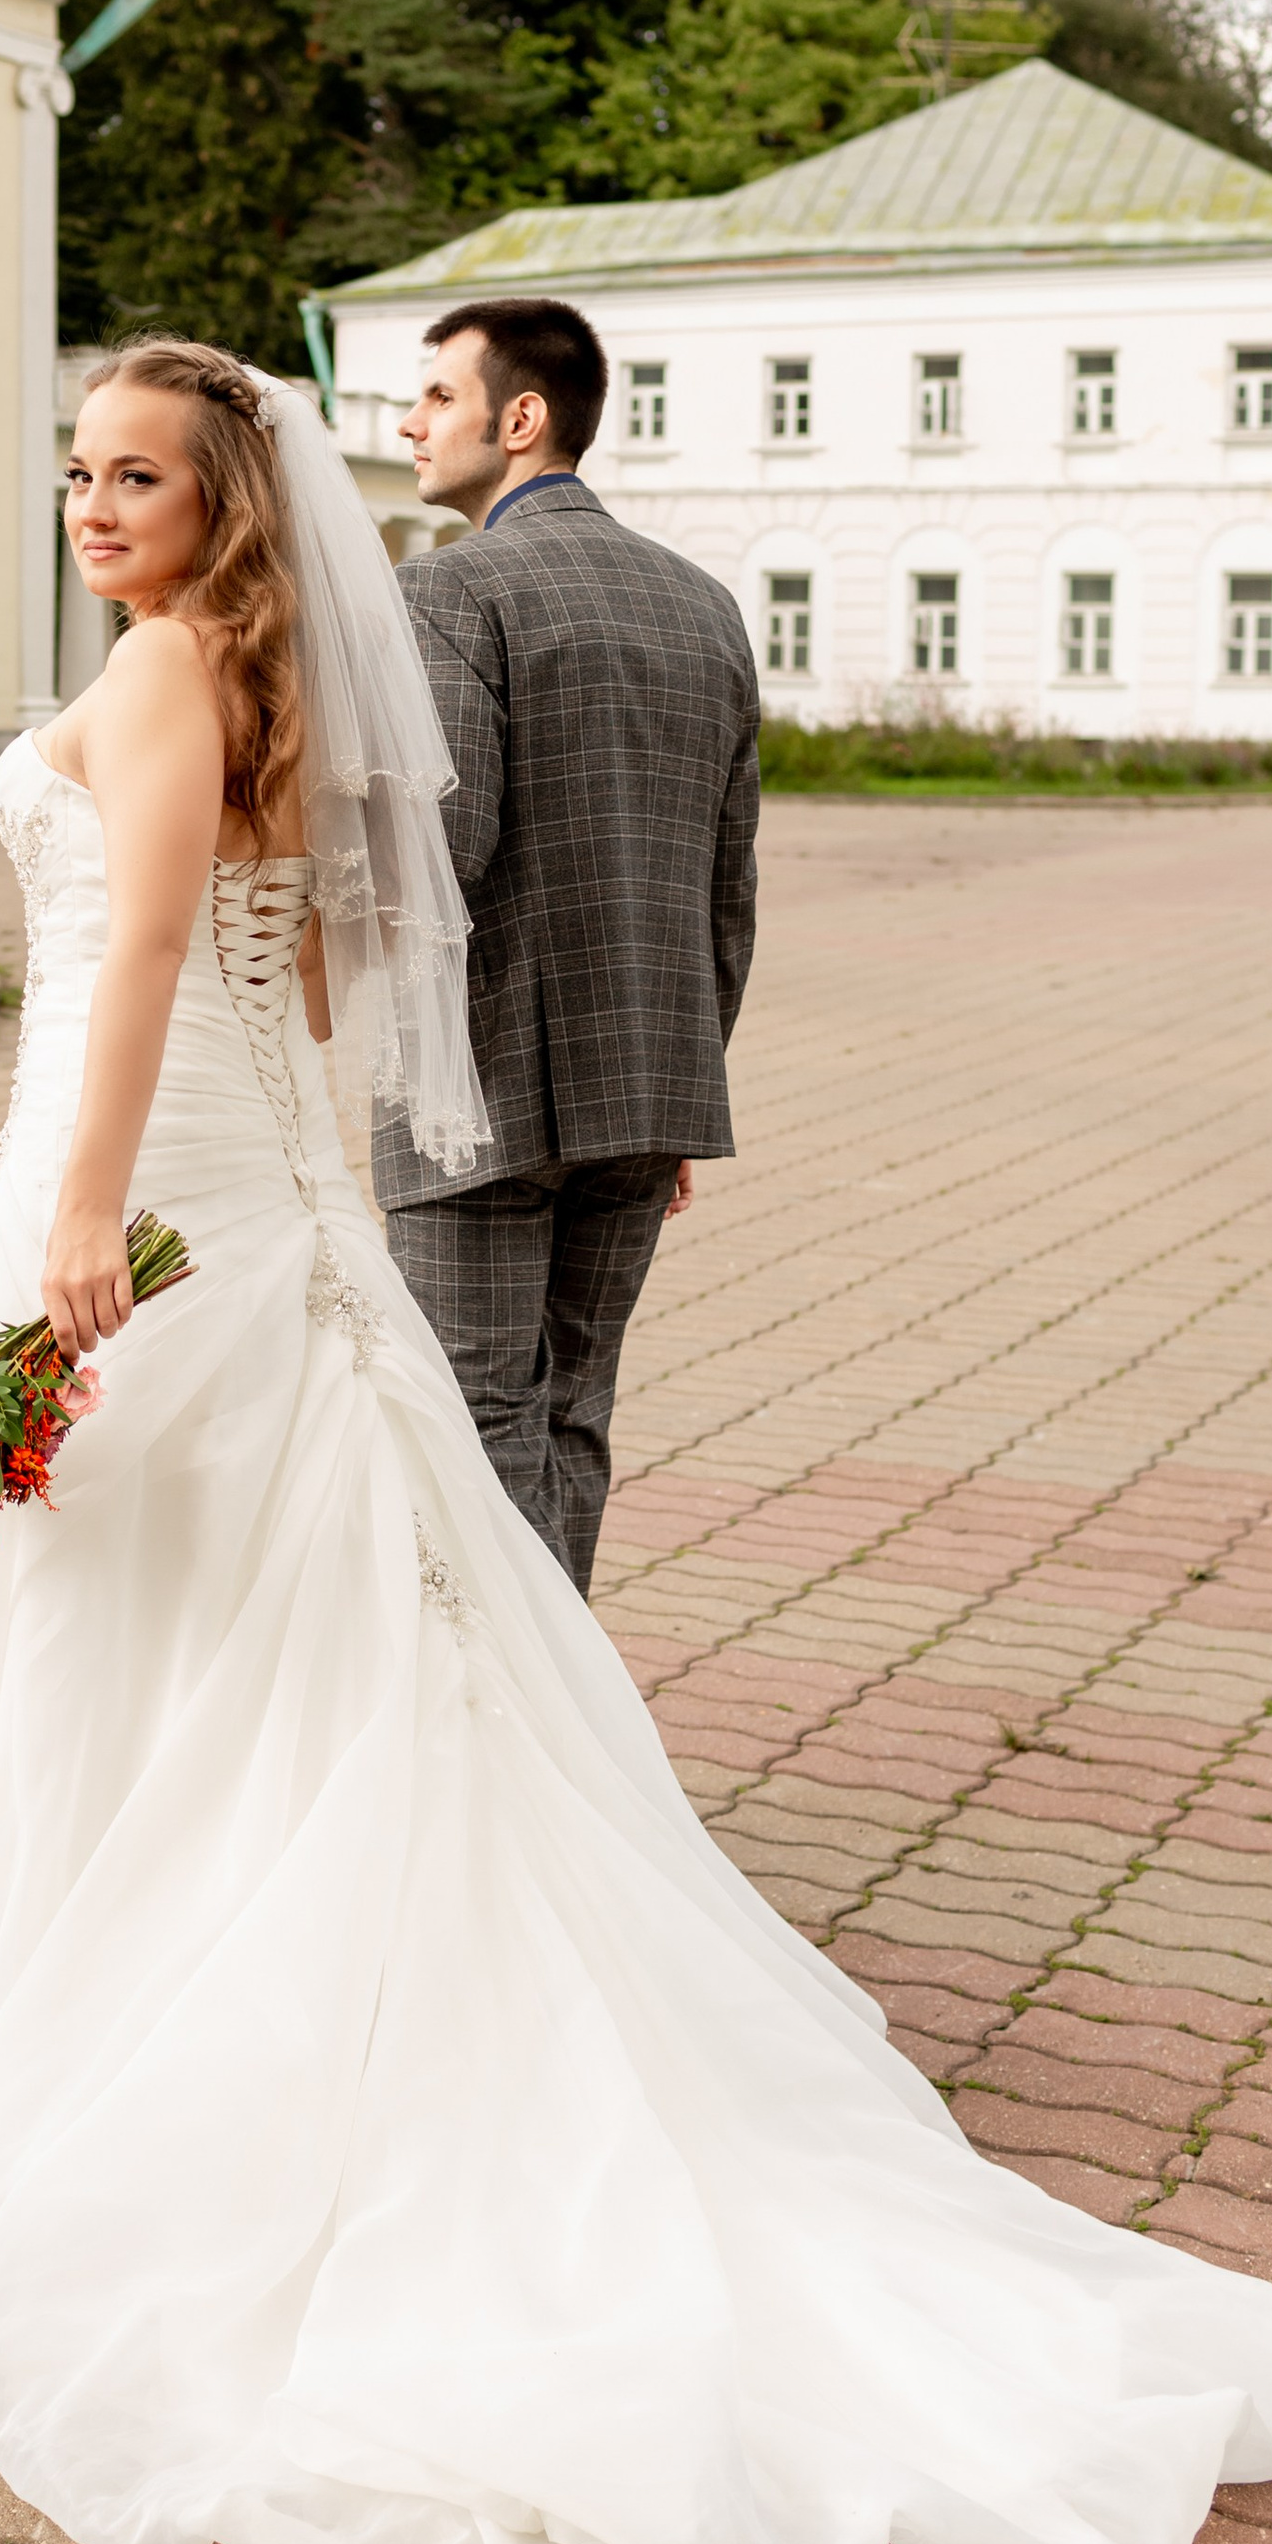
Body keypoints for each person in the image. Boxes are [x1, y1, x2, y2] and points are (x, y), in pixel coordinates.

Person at [0, 334, 1272, 2544]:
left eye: (134, 476)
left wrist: (77, 1209)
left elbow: (141, 948)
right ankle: (116, 1971)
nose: (89, 507)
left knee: (115, 1600)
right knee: (250, 1590)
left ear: (220, 500)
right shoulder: (272, 681)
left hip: (138, 1172)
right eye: (73, 472)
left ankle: (94, 2022)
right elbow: (323, 974)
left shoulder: (163, 676)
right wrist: (294, 1194)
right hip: (255, 1178)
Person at [379, 297, 757, 1595]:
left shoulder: (449, 588)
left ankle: (515, 1715)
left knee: (473, 1421)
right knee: (573, 1413)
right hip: (652, 1089)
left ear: (521, 419)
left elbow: (444, 852)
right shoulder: (707, 606)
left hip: (480, 1093)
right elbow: (727, 888)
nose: (410, 422)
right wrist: (678, 1085)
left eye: (438, 395)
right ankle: (571, 1698)